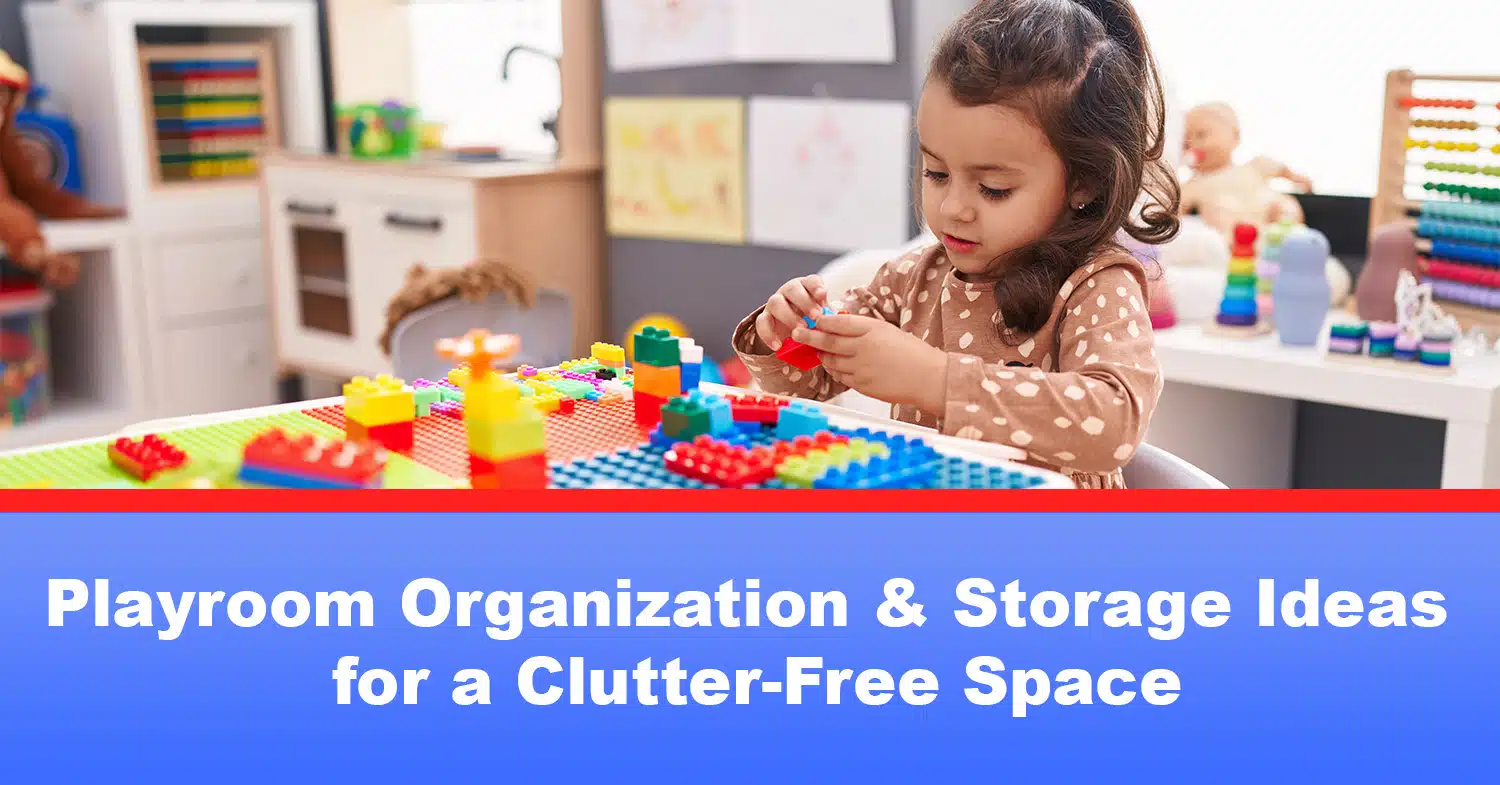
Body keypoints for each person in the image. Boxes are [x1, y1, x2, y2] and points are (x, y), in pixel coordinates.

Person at [731, 0, 1179, 489]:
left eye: (993, 189)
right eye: (936, 173)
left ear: (1084, 182)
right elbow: (809, 385)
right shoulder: (912, 278)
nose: (952, 209)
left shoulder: (1095, 286)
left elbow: (1113, 422)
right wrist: (788, 336)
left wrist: (936, 379)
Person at [1179, 101, 1312, 236]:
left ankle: (1290, 234)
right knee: (1220, 210)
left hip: (1273, 229)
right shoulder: (1195, 184)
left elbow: (1281, 170)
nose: (1194, 145)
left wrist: (1300, 180)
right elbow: (1177, 208)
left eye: (1201, 135)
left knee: (1285, 204)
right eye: (1185, 143)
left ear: (1235, 136)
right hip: (1235, 239)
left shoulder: (1253, 167)